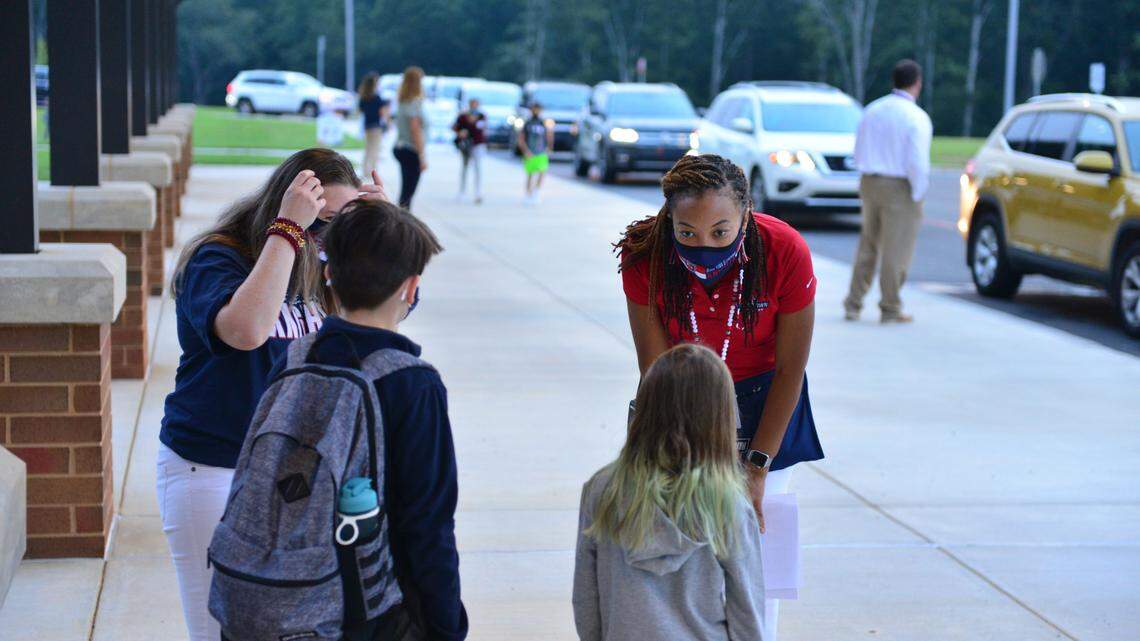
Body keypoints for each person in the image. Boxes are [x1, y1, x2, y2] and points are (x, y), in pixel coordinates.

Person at [156, 148, 385, 641]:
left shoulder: (325, 268)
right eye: (321, 223)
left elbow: (382, 312)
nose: (328, 240)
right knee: (224, 630)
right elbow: (246, 330)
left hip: (298, 476)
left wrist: (379, 236)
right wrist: (289, 231)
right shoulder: (218, 258)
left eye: (340, 226)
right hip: (214, 469)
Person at [615, 153, 823, 641]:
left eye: (720, 232)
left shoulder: (784, 250)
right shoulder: (645, 252)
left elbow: (792, 369)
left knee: (758, 560)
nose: (702, 245)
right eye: (686, 232)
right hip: (681, 398)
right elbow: (655, 368)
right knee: (683, 553)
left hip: (766, 399)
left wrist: (757, 466)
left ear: (746, 215)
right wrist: (680, 452)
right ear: (668, 220)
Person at [291, 201, 468, 641]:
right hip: (368, 609)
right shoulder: (412, 384)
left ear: (328, 275)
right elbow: (428, 524)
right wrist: (447, 626)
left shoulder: (295, 357)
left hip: (288, 592)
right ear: (411, 288)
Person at [573, 344, 767, 641]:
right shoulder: (729, 503)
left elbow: (586, 597)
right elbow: (747, 613)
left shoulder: (603, 490)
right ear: (720, 418)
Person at [843, 58, 933, 324]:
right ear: (917, 83)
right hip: (899, 185)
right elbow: (917, 160)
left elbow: (858, 150)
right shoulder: (916, 117)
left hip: (870, 181)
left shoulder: (873, 109)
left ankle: (853, 302)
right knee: (897, 249)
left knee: (868, 243)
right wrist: (918, 192)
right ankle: (890, 306)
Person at [394, 66, 429, 209]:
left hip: (401, 147)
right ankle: (402, 223)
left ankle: (401, 219)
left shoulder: (402, 102)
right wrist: (421, 155)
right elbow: (415, 130)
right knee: (408, 192)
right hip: (410, 149)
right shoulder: (414, 103)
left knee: (406, 190)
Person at [452, 98, 487, 204]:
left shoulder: (481, 116)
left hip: (477, 144)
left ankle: (478, 192)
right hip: (466, 145)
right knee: (465, 168)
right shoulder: (462, 116)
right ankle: (462, 191)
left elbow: (483, 127)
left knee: (477, 168)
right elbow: (454, 127)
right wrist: (460, 133)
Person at [517, 102, 553, 205]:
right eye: (534, 109)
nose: (536, 111)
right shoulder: (527, 123)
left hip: (541, 151)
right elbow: (521, 138)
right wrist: (525, 150)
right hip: (530, 151)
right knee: (530, 174)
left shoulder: (543, 122)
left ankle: (536, 192)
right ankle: (528, 194)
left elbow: (549, 135)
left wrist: (549, 147)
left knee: (542, 172)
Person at [359, 71, 391, 179]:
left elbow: (361, 110)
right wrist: (388, 123)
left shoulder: (363, 97)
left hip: (367, 125)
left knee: (368, 149)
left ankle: (365, 171)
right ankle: (372, 173)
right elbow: (382, 112)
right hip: (376, 126)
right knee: (375, 150)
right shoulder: (377, 98)